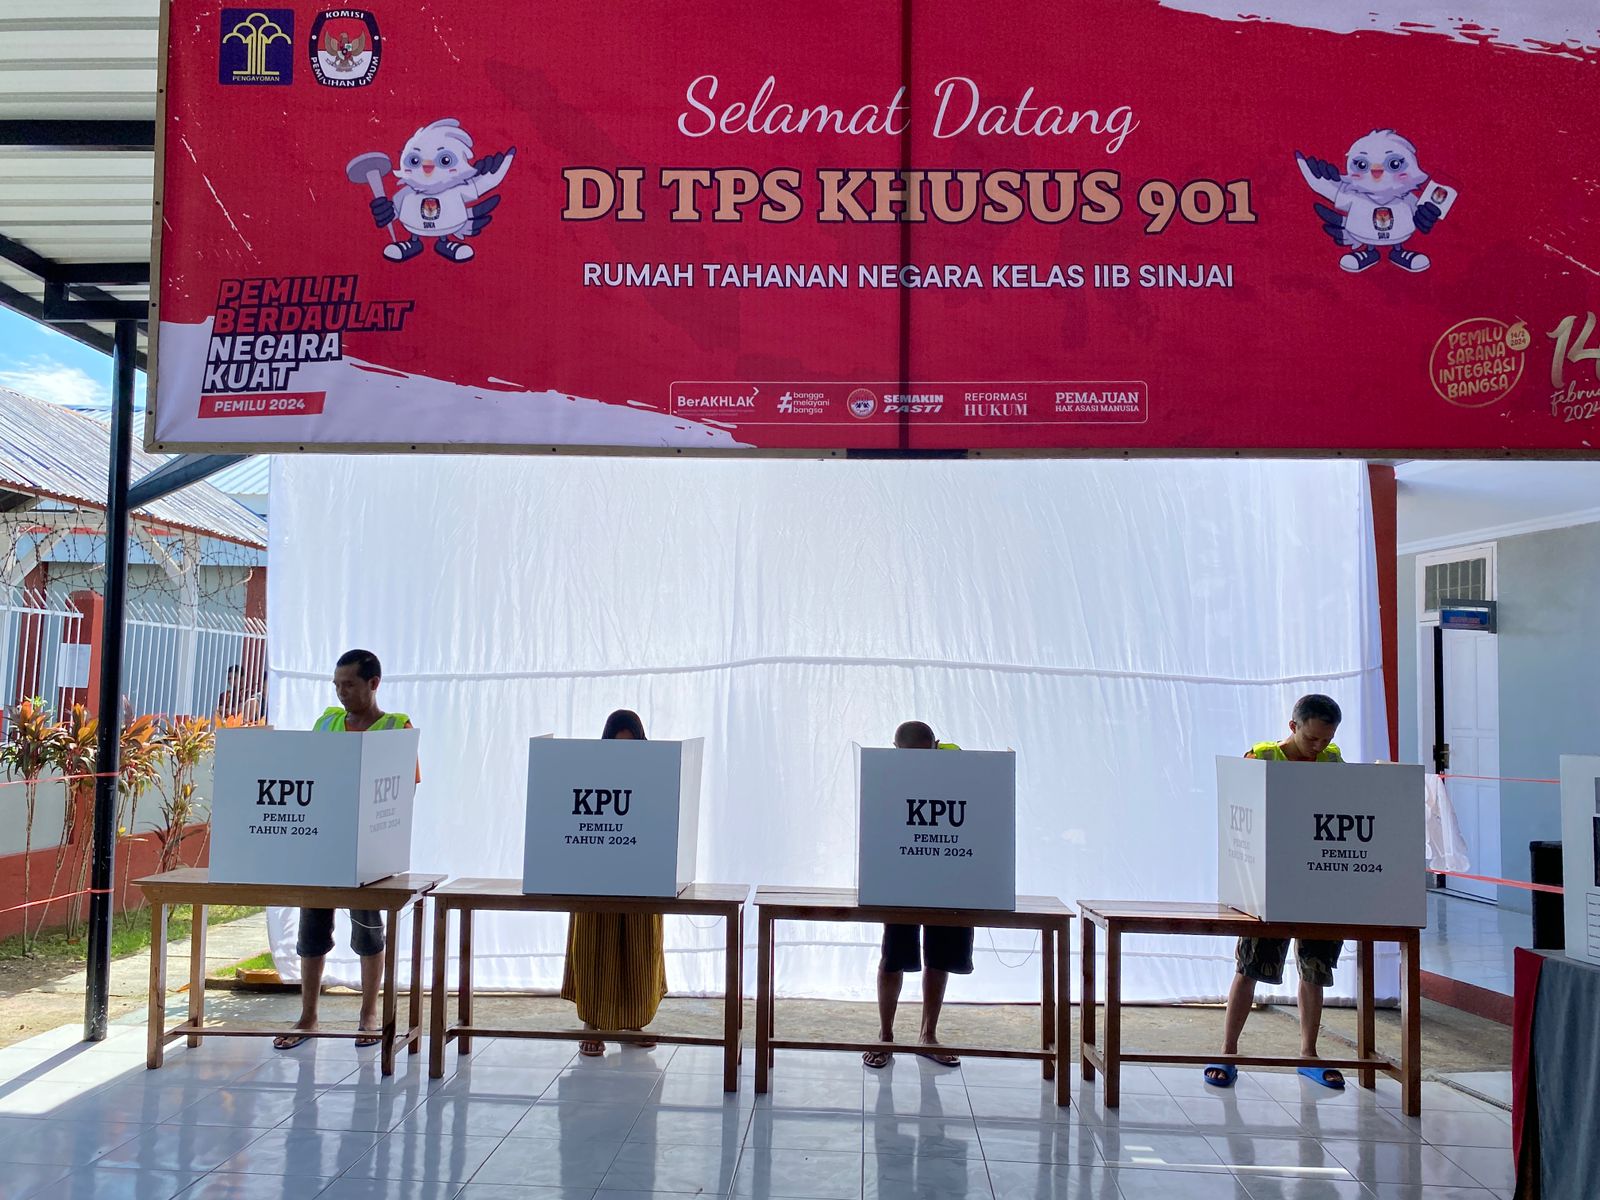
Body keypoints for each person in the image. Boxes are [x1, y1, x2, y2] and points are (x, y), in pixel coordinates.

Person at [273, 649, 415, 1051]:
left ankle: (369, 1014)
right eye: (336, 685)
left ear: (374, 683)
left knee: (368, 931)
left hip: (369, 851)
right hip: (323, 845)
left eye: (349, 685)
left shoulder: (396, 728)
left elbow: (405, 788)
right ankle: (308, 1017)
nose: (341, 693)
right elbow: (308, 774)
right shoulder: (327, 723)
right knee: (312, 931)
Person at [1206, 693, 1347, 1090]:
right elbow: (1239, 815)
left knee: (1315, 970)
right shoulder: (1262, 757)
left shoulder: (1333, 761)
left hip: (1318, 884)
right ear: (1293, 726)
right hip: (1267, 885)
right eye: (1311, 738)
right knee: (1249, 967)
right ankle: (1228, 1052)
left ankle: (1308, 1054)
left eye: (1326, 739)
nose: (1318, 746)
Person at [863, 720, 970, 1070]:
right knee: (893, 956)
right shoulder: (885, 773)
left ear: (937, 745)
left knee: (939, 956)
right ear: (896, 751)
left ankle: (928, 1036)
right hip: (901, 878)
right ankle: (885, 1035)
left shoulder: (957, 763)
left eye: (926, 755)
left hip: (947, 877)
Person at [561, 708, 668, 1056]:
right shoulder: (589, 771)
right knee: (594, 944)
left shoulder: (655, 774)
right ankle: (592, 1024)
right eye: (617, 746)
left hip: (641, 873)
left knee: (639, 947)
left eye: (632, 747)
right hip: (597, 871)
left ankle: (633, 1024)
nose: (624, 755)